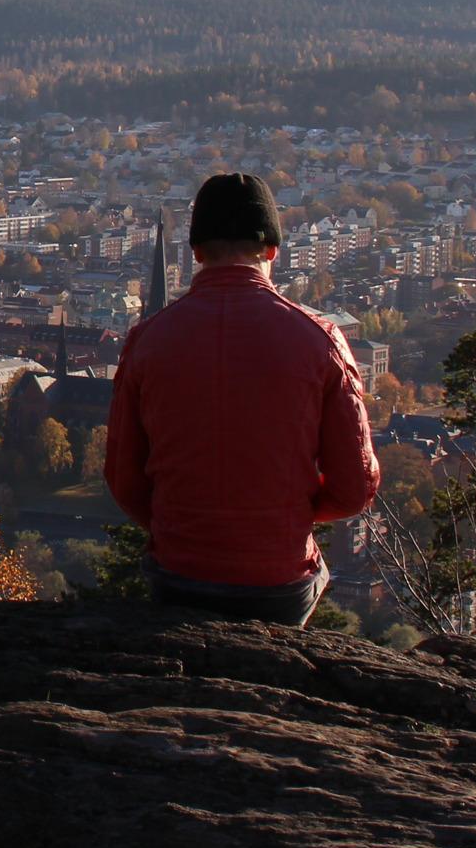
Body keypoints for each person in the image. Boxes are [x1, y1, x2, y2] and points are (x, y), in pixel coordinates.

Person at [103, 173, 379, 626]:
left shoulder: (148, 341)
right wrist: (284, 517)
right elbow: (355, 489)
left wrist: (181, 527)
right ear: (272, 250)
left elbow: (123, 479)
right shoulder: (319, 340)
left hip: (178, 574)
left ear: (196, 252)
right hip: (277, 582)